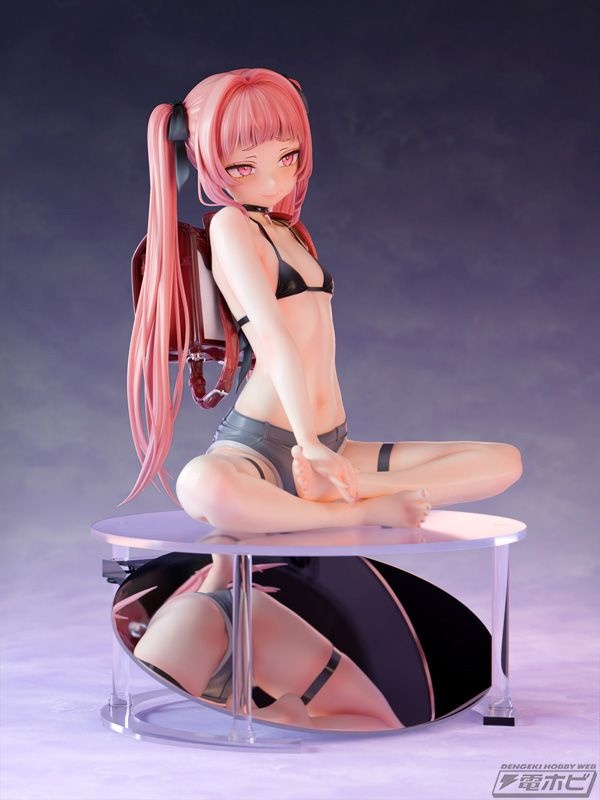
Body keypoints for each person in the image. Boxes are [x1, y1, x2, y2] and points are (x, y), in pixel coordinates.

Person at [125, 66, 523, 535]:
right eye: (244, 167)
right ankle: (358, 509)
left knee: (503, 461)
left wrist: (326, 453)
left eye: (287, 157)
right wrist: (308, 445)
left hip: (335, 444)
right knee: (203, 485)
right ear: (205, 159)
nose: (273, 180)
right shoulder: (231, 225)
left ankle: (360, 486)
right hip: (262, 444)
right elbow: (274, 340)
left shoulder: (288, 231)